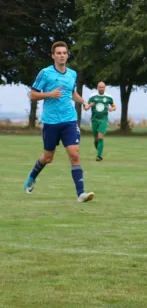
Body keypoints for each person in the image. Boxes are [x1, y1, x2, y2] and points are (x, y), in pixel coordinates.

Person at [23, 41, 95, 202]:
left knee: (74, 154)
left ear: (67, 55)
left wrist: (82, 101)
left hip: (69, 120)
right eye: (59, 53)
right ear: (53, 56)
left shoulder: (72, 74)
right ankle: (32, 175)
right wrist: (49, 94)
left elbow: (72, 93)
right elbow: (33, 95)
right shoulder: (45, 73)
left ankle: (81, 194)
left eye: (64, 53)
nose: (62, 55)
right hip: (51, 122)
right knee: (48, 157)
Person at [86, 82, 116, 161]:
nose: (101, 89)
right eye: (100, 87)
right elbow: (86, 108)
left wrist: (112, 109)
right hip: (94, 120)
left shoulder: (109, 97)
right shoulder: (92, 96)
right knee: (96, 139)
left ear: (105, 88)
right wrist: (89, 105)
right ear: (97, 87)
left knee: (100, 137)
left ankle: (99, 156)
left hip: (103, 120)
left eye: (103, 87)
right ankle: (100, 152)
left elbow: (114, 106)